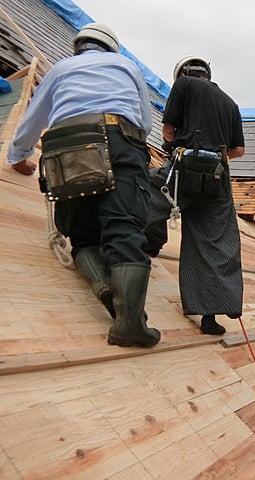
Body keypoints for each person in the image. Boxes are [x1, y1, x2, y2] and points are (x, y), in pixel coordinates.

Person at [7, 23, 160, 348]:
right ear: (110, 47)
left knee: (82, 235)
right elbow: (145, 123)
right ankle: (130, 323)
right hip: (116, 136)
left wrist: (19, 156)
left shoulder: (60, 68)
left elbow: (34, 118)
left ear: (79, 47)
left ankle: (108, 295)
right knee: (122, 226)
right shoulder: (126, 66)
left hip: (64, 147)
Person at [144, 56, 245, 336]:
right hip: (217, 179)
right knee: (214, 242)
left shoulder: (184, 85)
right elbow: (238, 151)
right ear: (208, 74)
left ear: (184, 73)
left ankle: (146, 245)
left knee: (146, 192)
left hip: (184, 168)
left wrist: (173, 145)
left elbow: (167, 130)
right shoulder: (230, 103)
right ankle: (210, 318)